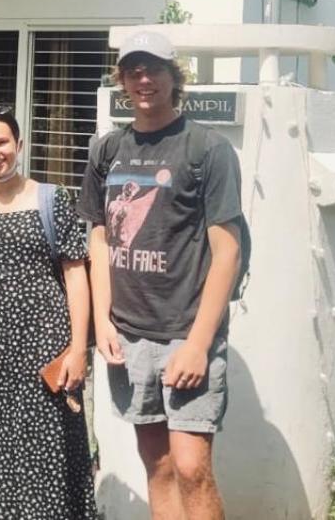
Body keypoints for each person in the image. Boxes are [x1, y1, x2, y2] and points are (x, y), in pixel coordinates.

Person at [82, 30, 247, 520]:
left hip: (185, 333)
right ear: (122, 80)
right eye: (133, 71)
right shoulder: (107, 150)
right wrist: (102, 322)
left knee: (192, 467)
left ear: (175, 77)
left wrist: (198, 344)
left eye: (154, 69)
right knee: (156, 463)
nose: (144, 80)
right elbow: (99, 238)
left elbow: (227, 251)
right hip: (129, 334)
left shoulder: (207, 149)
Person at [0, 106, 94, 519]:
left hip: (47, 345)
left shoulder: (53, 199)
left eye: (1, 142)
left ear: (19, 144)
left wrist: (78, 349)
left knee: (50, 447)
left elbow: (76, 275)